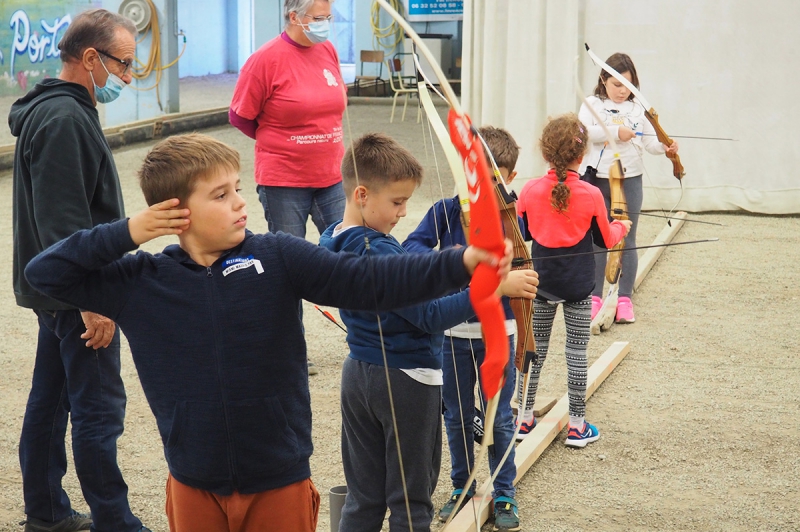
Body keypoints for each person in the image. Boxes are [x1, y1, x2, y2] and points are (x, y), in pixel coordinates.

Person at [24, 133, 513, 532]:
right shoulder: (140, 281)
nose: (241, 203)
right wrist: (131, 230)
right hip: (194, 482)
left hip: (279, 478)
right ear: (175, 212)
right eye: (221, 195)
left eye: (238, 188)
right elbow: (45, 273)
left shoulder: (278, 255)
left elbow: (371, 281)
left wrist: (462, 262)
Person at [319, 133, 534, 532]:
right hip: (404, 380)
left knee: (364, 497)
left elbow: (410, 288)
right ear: (362, 194)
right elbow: (430, 315)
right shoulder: (376, 251)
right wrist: (491, 289)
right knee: (411, 502)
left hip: (360, 373)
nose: (403, 212)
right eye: (397, 202)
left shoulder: (333, 236)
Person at [9, 9, 148, 532]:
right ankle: (115, 521)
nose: (128, 78)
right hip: (76, 293)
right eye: (124, 65)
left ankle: (46, 513)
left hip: (56, 289)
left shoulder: (59, 110)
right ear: (90, 58)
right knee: (98, 408)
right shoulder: (65, 119)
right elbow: (65, 223)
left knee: (50, 400)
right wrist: (92, 301)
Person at [403, 126, 537, 531]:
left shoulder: (513, 219)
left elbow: (528, 265)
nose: (487, 188)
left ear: (510, 178)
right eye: (477, 176)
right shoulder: (446, 211)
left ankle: (504, 494)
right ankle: (463, 487)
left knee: (498, 419)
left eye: (498, 179)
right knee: (458, 415)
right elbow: (412, 248)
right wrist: (459, 259)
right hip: (453, 334)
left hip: (501, 331)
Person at [229, 0, 345, 376]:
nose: (326, 24)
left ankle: (367, 339)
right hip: (285, 180)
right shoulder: (266, 59)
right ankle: (290, 351)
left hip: (332, 175)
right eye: (319, 18)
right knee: (288, 266)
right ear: (294, 17)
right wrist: (282, 141)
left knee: (353, 253)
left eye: (329, 17)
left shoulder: (327, 49)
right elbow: (241, 116)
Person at [516, 114, 631, 448]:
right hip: (579, 286)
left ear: (546, 153)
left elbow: (524, 231)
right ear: (581, 156)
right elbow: (606, 239)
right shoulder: (592, 194)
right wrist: (621, 226)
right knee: (577, 352)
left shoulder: (530, 190)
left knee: (533, 352)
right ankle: (578, 426)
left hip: (541, 284)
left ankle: (523, 419)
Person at [578, 52, 679, 323]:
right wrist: (614, 132)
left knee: (629, 240)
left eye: (628, 85)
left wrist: (666, 149)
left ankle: (624, 300)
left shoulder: (637, 110)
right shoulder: (591, 104)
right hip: (598, 178)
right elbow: (584, 133)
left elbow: (649, 143)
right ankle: (595, 297)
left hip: (630, 178)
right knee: (599, 238)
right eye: (616, 84)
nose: (622, 91)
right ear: (603, 80)